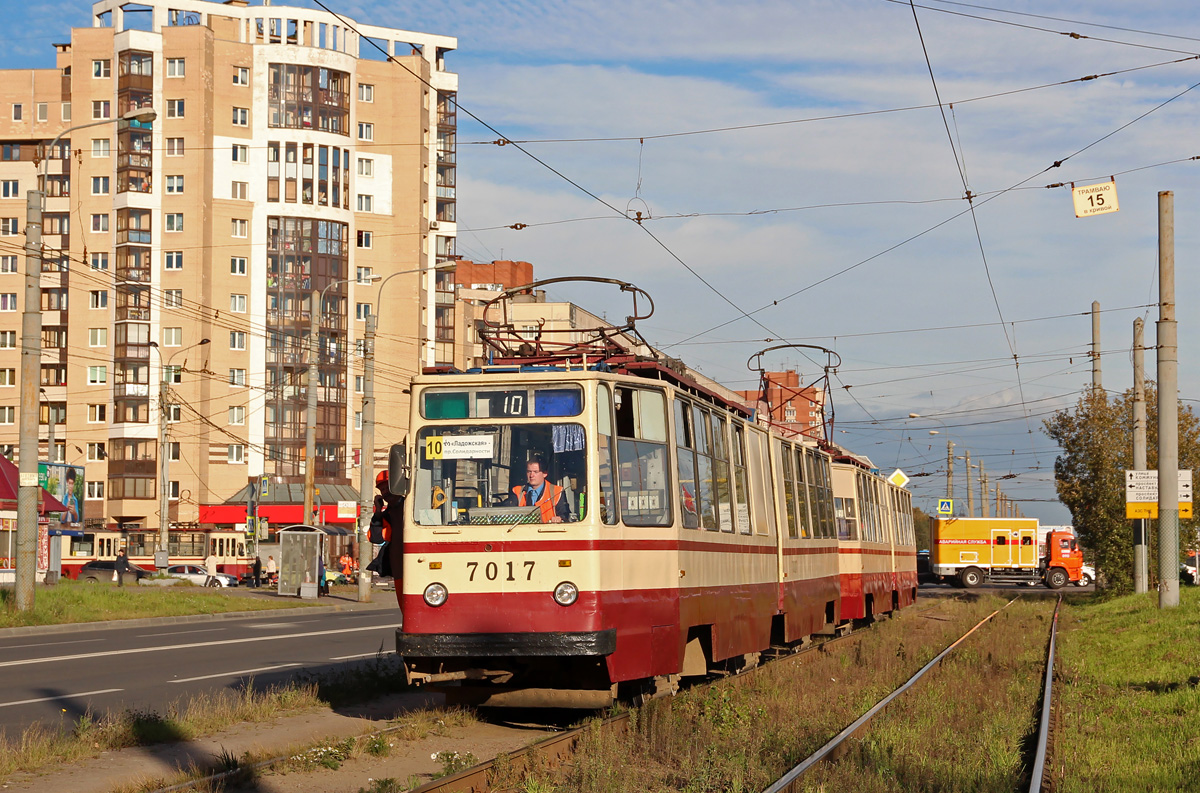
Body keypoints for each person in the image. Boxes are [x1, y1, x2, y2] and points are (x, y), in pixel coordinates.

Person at [506, 457, 570, 523]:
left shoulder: (557, 491)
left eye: (535, 472)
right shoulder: (517, 491)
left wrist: (559, 518)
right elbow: (508, 513)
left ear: (545, 473)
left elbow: (565, 515)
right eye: (529, 471)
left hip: (547, 531)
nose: (531, 475)